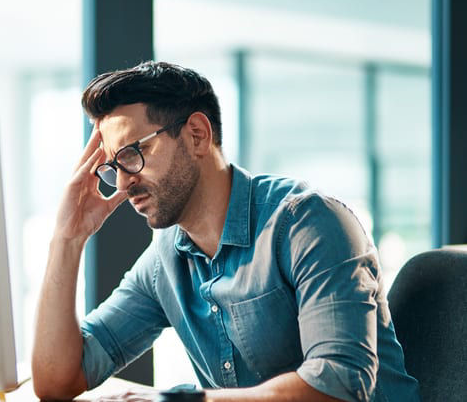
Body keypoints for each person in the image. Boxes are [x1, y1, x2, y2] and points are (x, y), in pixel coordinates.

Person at [31, 61, 420, 402]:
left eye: (133, 154)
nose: (122, 182)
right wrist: (68, 238)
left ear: (197, 134)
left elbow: (339, 385)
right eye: (113, 166)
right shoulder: (165, 261)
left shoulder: (307, 224)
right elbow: (58, 380)